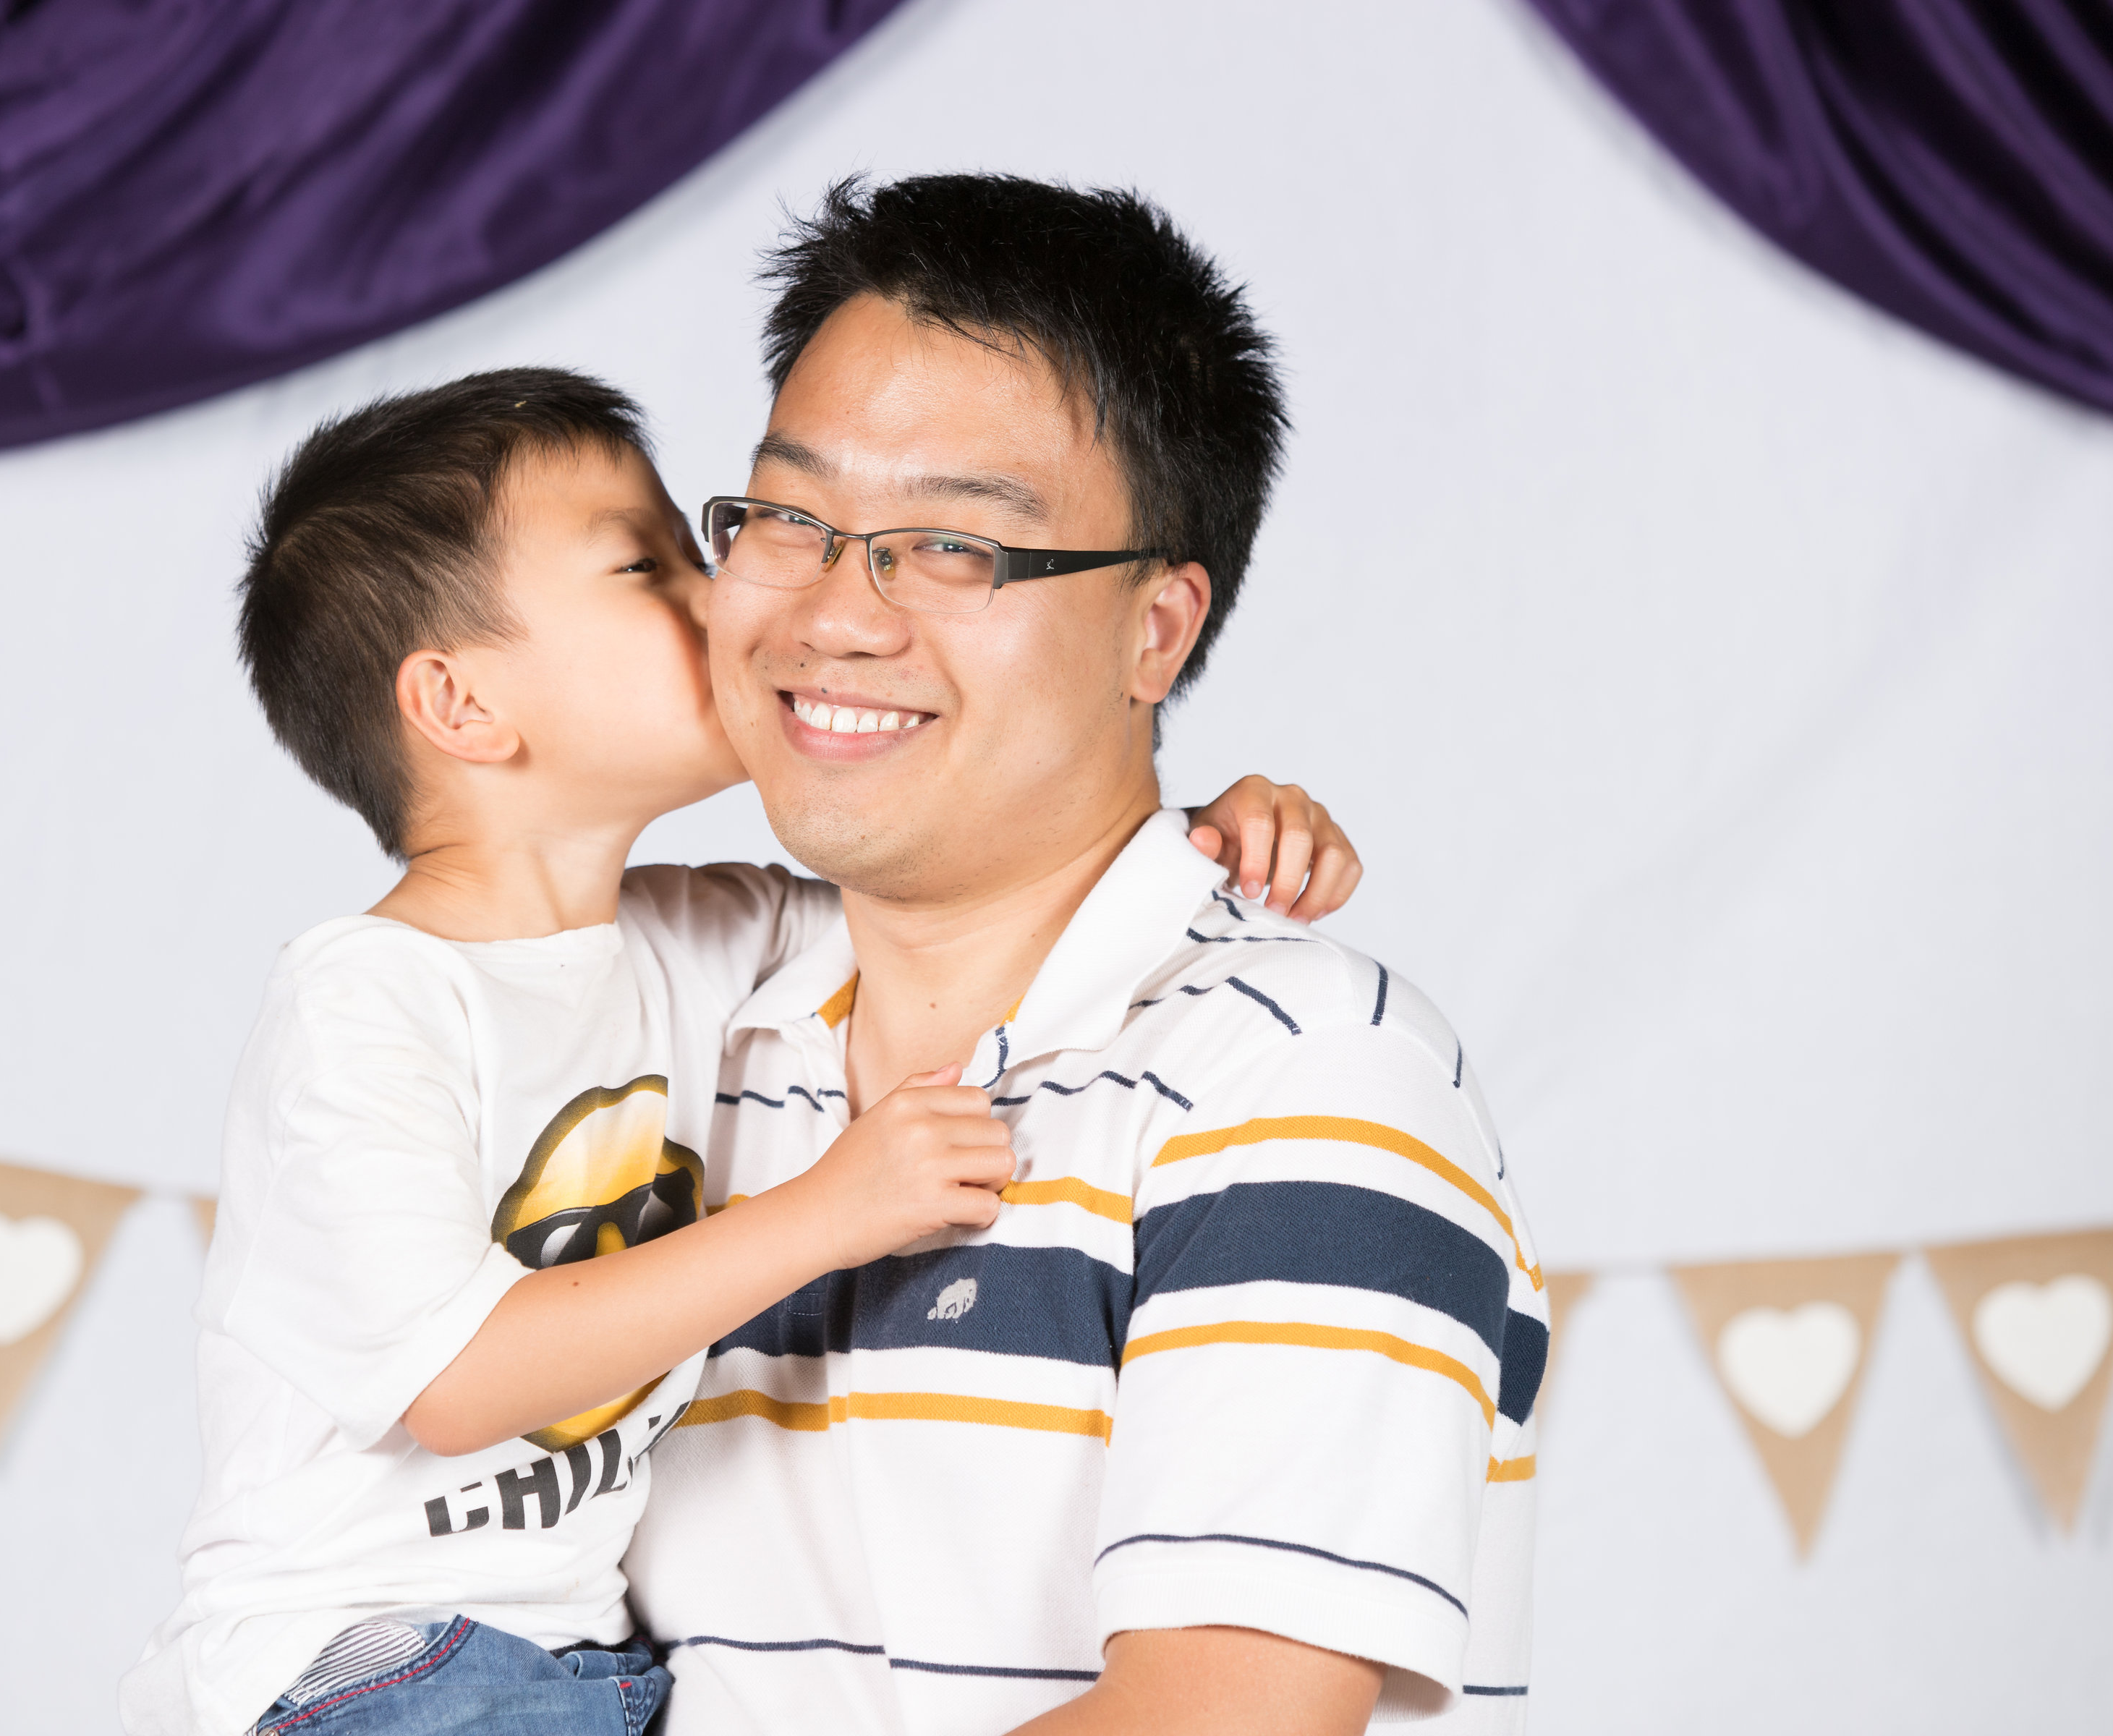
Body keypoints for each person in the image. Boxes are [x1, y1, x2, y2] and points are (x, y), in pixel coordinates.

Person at [119, 366, 1358, 1735]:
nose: (723, 601)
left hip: (568, 1669)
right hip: (362, 1667)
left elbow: (990, 896)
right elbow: (459, 1382)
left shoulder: (698, 937)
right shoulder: (367, 1001)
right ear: (463, 706)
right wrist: (829, 1212)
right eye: (641, 567)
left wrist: (1201, 837)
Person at [621, 176, 1552, 1735]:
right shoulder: (659, 1028)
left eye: (952, 546)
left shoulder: (1299, 1081)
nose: (838, 615)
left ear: (1156, 630)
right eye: (790, 519)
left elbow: (1219, 1720)